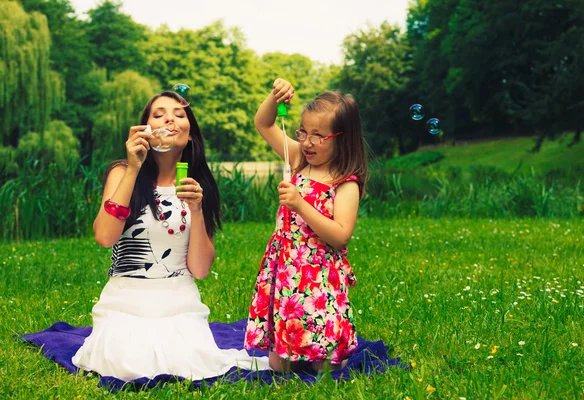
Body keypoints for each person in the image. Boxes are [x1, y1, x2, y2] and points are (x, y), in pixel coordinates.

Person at [72, 90, 269, 381]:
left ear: (189, 135)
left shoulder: (198, 186)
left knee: (189, 363)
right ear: (145, 129)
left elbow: (201, 269)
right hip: (125, 300)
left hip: (179, 302)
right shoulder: (122, 172)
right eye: (159, 114)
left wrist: (197, 209)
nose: (169, 119)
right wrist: (134, 167)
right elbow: (104, 236)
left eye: (179, 114)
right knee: (124, 362)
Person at [243, 78, 368, 373]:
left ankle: (328, 349)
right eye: (303, 132)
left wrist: (300, 204)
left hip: (318, 275)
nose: (307, 142)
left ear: (342, 138)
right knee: (278, 365)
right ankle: (289, 347)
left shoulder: (344, 181)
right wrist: (275, 97)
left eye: (318, 135)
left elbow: (340, 236)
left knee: (323, 366)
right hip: (286, 267)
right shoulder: (297, 158)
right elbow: (263, 123)